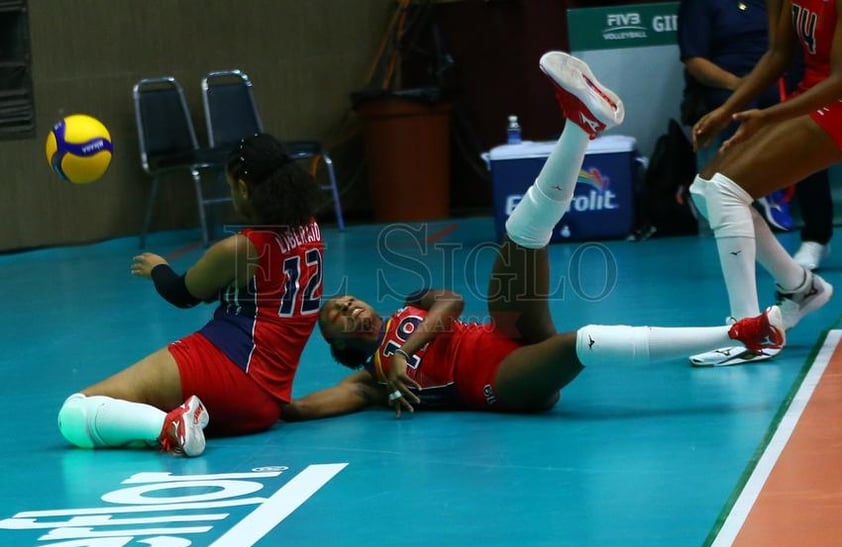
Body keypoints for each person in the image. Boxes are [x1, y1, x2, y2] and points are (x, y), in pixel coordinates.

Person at [280, 52, 785, 420]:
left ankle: (581, 124)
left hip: (504, 332)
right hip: (502, 382)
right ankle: (741, 333)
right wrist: (242, 400)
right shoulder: (369, 381)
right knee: (579, 342)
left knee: (521, 233)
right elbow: (300, 409)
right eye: (338, 316)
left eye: (346, 301)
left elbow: (451, 302)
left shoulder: (403, 315)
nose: (348, 308)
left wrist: (402, 345)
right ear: (339, 343)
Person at [57, 133, 325, 456]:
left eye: (230, 188)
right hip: (267, 404)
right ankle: (179, 419)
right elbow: (260, 290)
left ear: (242, 187)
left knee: (74, 411)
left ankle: (170, 426)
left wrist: (158, 268)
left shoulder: (242, 249)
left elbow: (182, 293)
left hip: (225, 366)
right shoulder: (310, 227)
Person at [686, 0, 837, 367]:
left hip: (836, 97)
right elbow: (778, 53)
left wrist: (766, 116)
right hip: (813, 94)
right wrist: (727, 111)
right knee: (707, 188)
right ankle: (800, 287)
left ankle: (751, 332)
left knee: (724, 189)